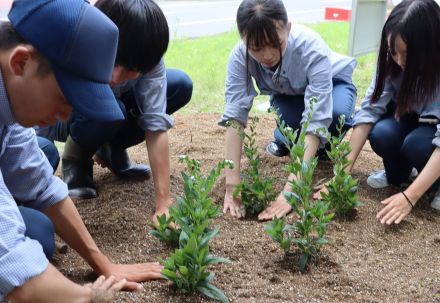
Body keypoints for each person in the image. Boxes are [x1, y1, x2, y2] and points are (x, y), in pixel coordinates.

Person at [1, 0, 162, 302]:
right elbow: (17, 271)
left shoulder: (9, 97)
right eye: (64, 98)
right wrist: (88, 296)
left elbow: (41, 184)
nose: (65, 116)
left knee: (38, 228)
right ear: (21, 63)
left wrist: (105, 266)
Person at [37, 0, 193, 225]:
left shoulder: (148, 62)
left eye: (131, 70)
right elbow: (35, 107)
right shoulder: (75, 40)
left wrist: (163, 204)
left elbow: (155, 126)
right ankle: (76, 163)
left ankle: (111, 149)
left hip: (112, 113)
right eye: (113, 61)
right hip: (66, 117)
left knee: (179, 84)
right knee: (110, 108)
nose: (115, 77)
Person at [219, 0, 357, 220]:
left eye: (276, 43)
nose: (267, 55)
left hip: (334, 85)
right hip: (289, 95)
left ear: (288, 28)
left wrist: (290, 190)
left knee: (335, 115)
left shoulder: (311, 48)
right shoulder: (239, 57)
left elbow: (316, 119)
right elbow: (235, 117)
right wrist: (231, 184)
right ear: (243, 40)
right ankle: (287, 136)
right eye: (256, 48)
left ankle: (304, 141)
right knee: (291, 121)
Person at [316, 0, 440, 225]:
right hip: (413, 116)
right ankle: (401, 175)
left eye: (408, 54)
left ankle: (434, 185)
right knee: (382, 133)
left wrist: (409, 198)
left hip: (433, 128)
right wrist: (340, 175)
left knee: (417, 145)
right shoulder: (392, 60)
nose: (400, 61)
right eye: (394, 52)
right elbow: (368, 113)